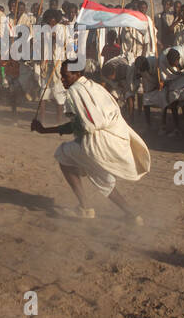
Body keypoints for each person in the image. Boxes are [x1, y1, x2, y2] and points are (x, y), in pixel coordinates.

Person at [30, 61, 150, 223]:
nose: (63, 80)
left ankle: (85, 208)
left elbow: (83, 125)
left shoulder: (75, 92)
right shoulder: (95, 86)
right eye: (62, 76)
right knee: (101, 177)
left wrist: (44, 130)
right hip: (116, 139)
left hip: (99, 144)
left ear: (77, 74)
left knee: (63, 154)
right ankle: (133, 215)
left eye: (65, 76)